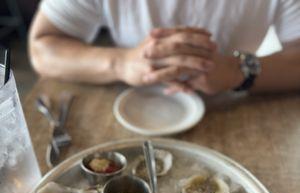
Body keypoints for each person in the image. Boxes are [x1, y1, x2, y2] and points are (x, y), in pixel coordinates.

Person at [29, 0, 300, 95]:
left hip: (237, 105)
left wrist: (236, 71)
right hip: (130, 101)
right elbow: (42, 47)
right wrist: (122, 62)